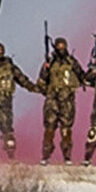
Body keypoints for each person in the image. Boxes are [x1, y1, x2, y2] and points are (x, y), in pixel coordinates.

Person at [36, 36, 85, 165]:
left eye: (63, 47)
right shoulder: (50, 63)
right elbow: (40, 82)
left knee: (66, 129)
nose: (61, 49)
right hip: (52, 100)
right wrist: (46, 75)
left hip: (67, 100)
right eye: (59, 47)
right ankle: (45, 157)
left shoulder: (72, 62)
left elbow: (82, 76)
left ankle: (67, 157)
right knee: (49, 129)